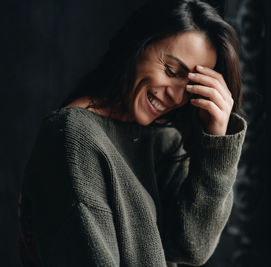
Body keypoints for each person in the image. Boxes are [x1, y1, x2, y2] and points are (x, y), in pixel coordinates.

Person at [18, 0, 247, 266]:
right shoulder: (73, 137)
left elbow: (193, 247)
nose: (176, 96)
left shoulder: (163, 141)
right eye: (172, 71)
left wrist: (217, 142)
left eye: (191, 88)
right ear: (137, 44)